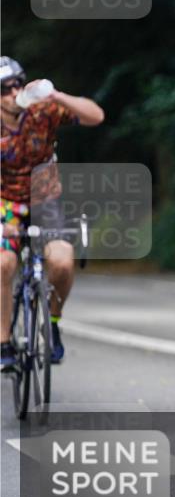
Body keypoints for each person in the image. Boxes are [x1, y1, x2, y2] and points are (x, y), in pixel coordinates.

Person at [0, 56, 105, 371]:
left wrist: (56, 95)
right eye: (5, 88)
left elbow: (95, 116)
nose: (14, 92)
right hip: (5, 202)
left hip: (45, 198)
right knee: (4, 263)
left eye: (18, 83)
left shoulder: (42, 111)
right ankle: (3, 341)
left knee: (61, 261)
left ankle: (53, 321)